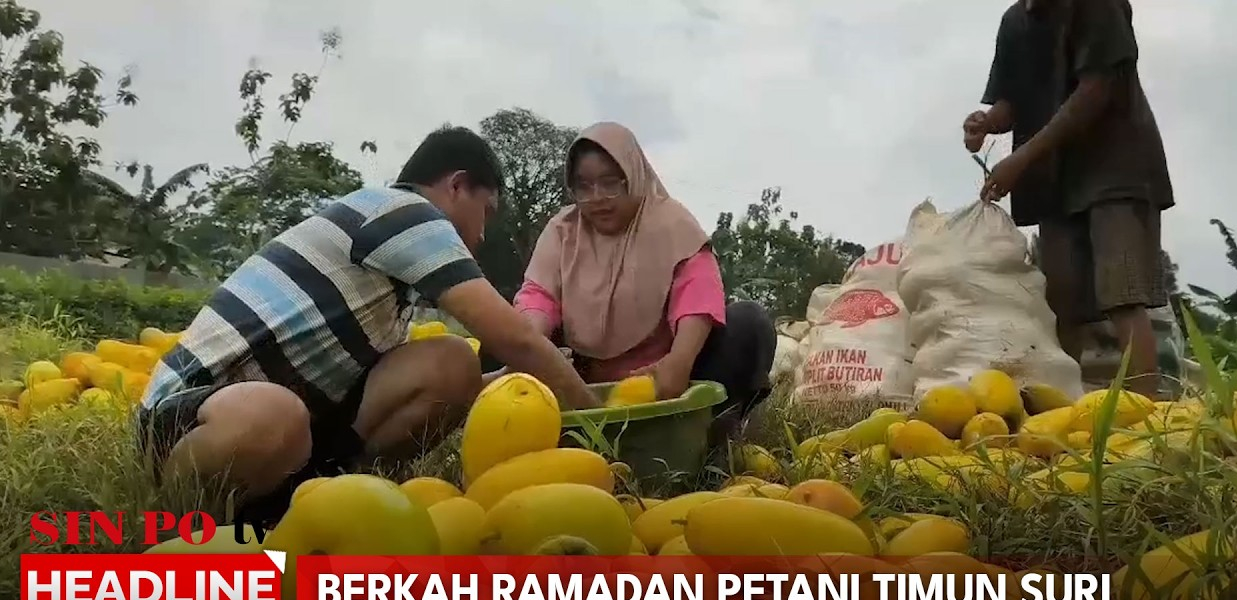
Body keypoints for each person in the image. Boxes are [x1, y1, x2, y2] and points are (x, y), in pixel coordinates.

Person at [138, 126, 598, 524]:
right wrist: (598, 423)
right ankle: (177, 516)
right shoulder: (405, 213)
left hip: (291, 428)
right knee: (273, 415)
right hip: (187, 419)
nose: (481, 234)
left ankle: (315, 496)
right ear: (457, 186)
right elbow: (514, 335)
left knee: (450, 364)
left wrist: (521, 382)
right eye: (487, 212)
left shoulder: (390, 272)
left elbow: (442, 377)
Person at [513, 121, 776, 443]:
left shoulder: (670, 222)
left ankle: (711, 435)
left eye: (610, 183)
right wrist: (535, 345)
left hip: (666, 379)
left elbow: (698, 293)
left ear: (634, 176)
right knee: (504, 341)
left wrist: (678, 362)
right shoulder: (562, 231)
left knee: (748, 323)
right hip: (578, 379)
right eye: (584, 186)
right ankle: (549, 438)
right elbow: (539, 297)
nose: (597, 198)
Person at [963, 0, 1174, 399]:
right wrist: (987, 123)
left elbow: (1095, 91)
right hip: (1055, 180)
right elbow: (1011, 102)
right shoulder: (1014, 21)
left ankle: (1150, 421)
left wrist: (1020, 159)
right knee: (1062, 306)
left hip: (1117, 167)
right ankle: (1070, 417)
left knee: (1123, 295)